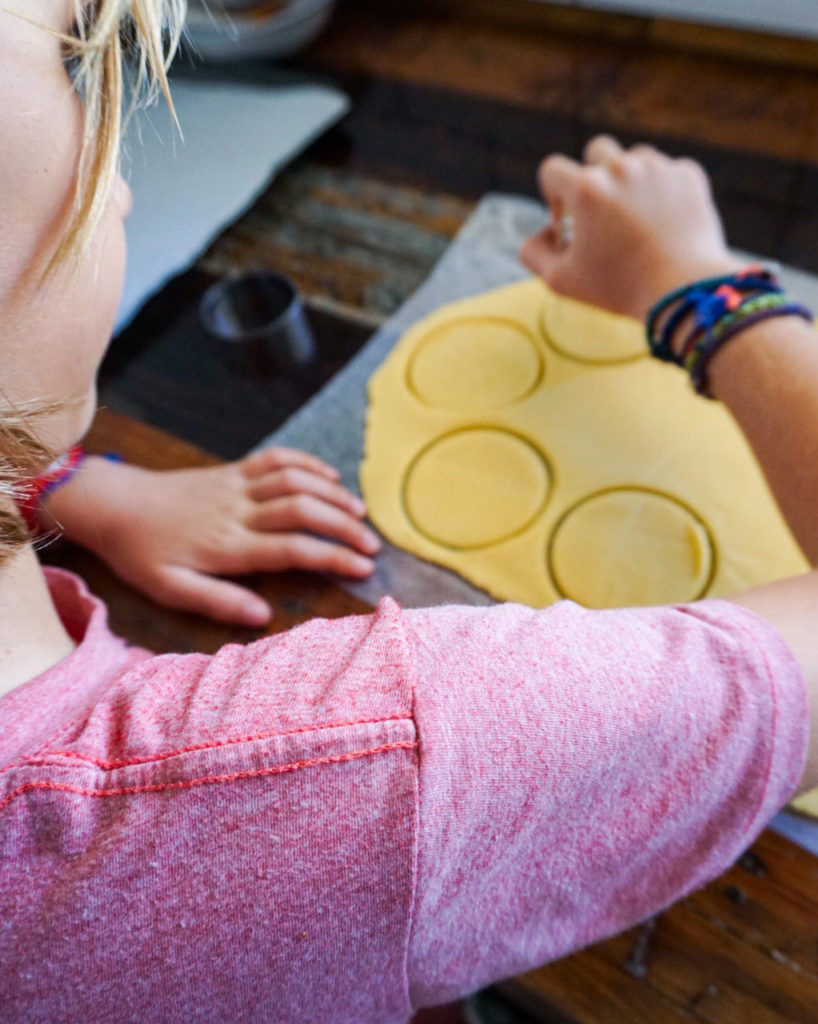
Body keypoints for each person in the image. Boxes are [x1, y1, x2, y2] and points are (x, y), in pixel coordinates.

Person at [0, 2, 816, 1022]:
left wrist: (68, 482)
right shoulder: (363, 764)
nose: (118, 186)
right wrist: (695, 284)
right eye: (72, 66)